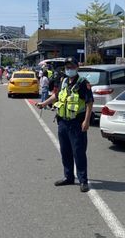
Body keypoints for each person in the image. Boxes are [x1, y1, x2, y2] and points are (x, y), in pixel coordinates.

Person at [37, 57, 94, 193]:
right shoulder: (63, 81)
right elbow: (56, 96)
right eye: (67, 67)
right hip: (63, 122)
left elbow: (89, 103)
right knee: (65, 151)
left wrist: (86, 121)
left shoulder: (83, 83)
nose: (69, 69)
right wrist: (44, 103)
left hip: (76, 123)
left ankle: (83, 180)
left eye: (71, 67)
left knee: (79, 152)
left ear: (77, 67)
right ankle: (68, 177)